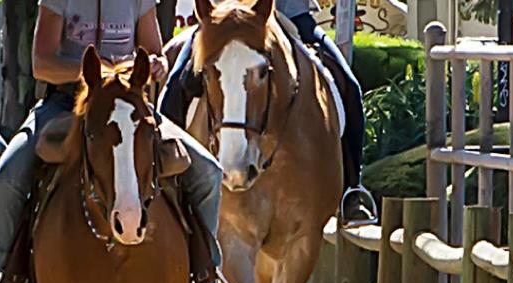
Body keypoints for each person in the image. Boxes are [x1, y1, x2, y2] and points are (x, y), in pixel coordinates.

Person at [0, 0, 244, 283]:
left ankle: (206, 278)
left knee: (207, 172)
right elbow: (41, 65)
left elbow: (154, 51)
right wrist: (93, 73)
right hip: (65, 105)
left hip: (129, 107)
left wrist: (156, 65)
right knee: (7, 175)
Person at [158, 0, 374, 223]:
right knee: (174, 88)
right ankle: (166, 189)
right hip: (223, 19)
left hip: (289, 15)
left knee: (349, 86)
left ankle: (352, 190)